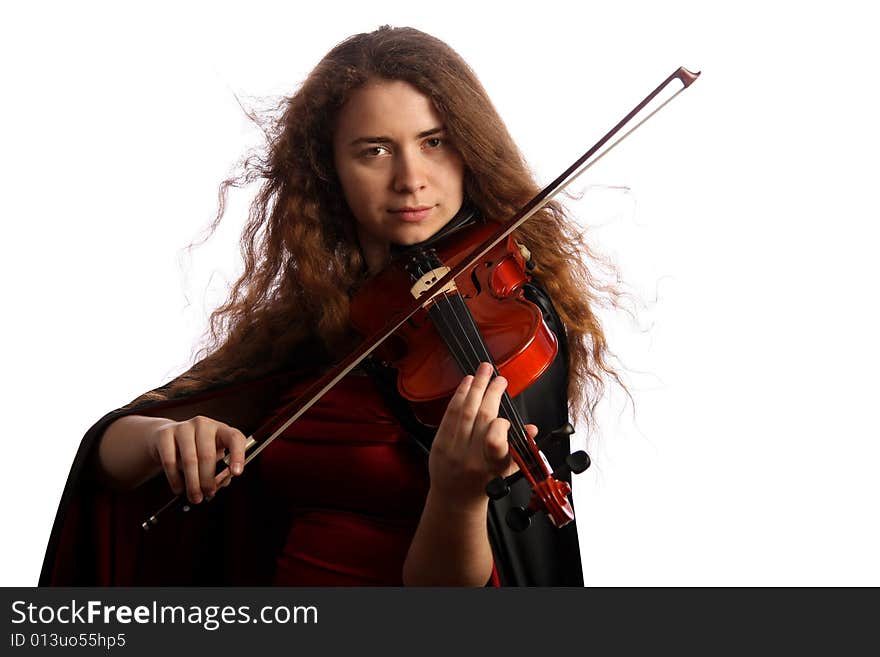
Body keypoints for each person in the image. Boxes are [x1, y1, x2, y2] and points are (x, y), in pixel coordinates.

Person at [40, 25, 619, 586]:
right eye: (375, 151)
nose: (411, 179)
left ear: (470, 151)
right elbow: (106, 458)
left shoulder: (513, 323)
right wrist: (157, 439)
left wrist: (457, 494)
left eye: (434, 142)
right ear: (331, 169)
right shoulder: (322, 320)